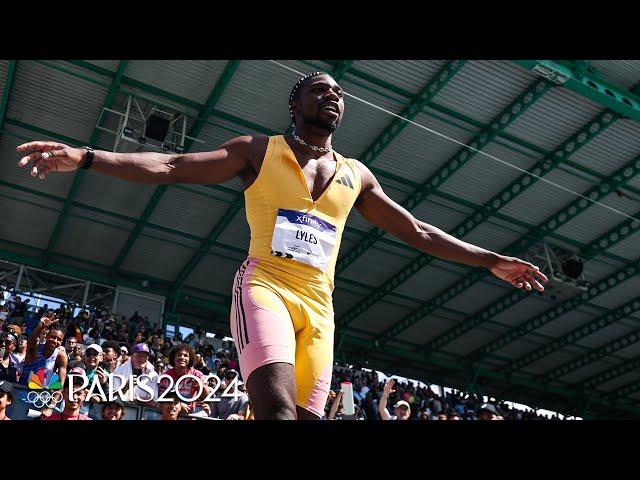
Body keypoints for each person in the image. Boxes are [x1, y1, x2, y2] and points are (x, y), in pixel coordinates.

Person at [16, 71, 548, 420]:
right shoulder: (256, 150)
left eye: (338, 92)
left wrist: (492, 260)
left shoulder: (357, 176)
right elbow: (171, 165)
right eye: (320, 89)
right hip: (266, 286)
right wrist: (85, 156)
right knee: (277, 411)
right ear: (295, 103)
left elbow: (419, 231)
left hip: (320, 308)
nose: (333, 96)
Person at [20, 314, 67, 387]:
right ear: (46, 336)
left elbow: (60, 383)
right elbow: (31, 341)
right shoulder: (36, 348)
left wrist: (54, 397)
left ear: (61, 342)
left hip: (42, 396)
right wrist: (40, 327)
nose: (55, 341)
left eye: (59, 339)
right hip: (22, 393)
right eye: (53, 337)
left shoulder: (61, 356)